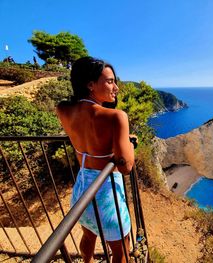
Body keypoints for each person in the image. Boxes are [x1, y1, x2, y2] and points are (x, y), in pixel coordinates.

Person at [56, 56, 135, 263]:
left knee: (88, 234)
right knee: (122, 251)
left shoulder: (63, 110)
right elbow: (126, 166)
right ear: (90, 84)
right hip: (106, 196)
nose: (116, 87)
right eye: (110, 81)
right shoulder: (116, 117)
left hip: (82, 192)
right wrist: (129, 143)